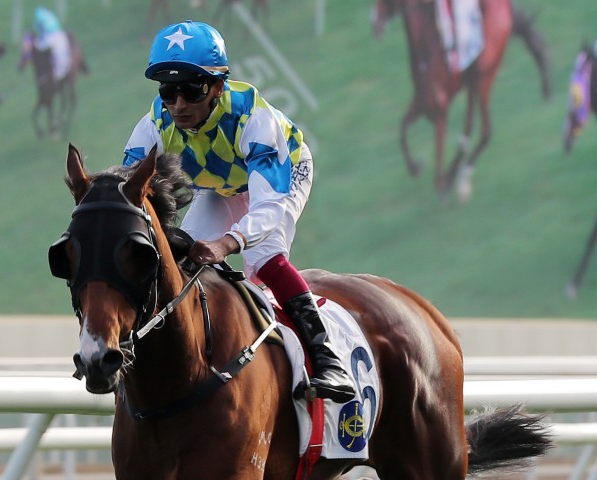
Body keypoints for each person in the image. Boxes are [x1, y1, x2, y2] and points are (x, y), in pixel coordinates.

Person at [122, 19, 356, 403]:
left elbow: (268, 207)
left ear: (217, 86)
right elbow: (129, 190)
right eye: (168, 91)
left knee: (262, 255)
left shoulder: (253, 118)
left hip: (284, 173)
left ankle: (327, 357)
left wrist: (227, 243)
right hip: (221, 186)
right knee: (186, 266)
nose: (178, 104)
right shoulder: (154, 122)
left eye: (191, 90)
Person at [31, 7, 71, 81]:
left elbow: (38, 28)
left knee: (41, 47)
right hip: (57, 33)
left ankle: (48, 72)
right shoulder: (49, 15)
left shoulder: (42, 18)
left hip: (51, 35)